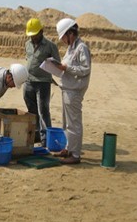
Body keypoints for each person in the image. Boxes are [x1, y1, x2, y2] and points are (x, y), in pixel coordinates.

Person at [50, 18, 92, 164]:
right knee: (66, 123)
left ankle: (75, 155)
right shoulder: (71, 47)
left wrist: (66, 68)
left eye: (63, 37)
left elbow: (85, 69)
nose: (62, 40)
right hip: (67, 88)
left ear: (70, 33)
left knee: (73, 123)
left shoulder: (81, 48)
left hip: (74, 91)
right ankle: (68, 148)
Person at [23, 18, 61, 147]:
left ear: (41, 31)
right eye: (31, 35)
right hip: (28, 82)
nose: (33, 37)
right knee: (31, 111)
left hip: (43, 83)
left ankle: (46, 139)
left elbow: (58, 65)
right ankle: (36, 135)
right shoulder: (27, 44)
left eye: (35, 34)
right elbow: (28, 58)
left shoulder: (51, 46)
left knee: (43, 111)